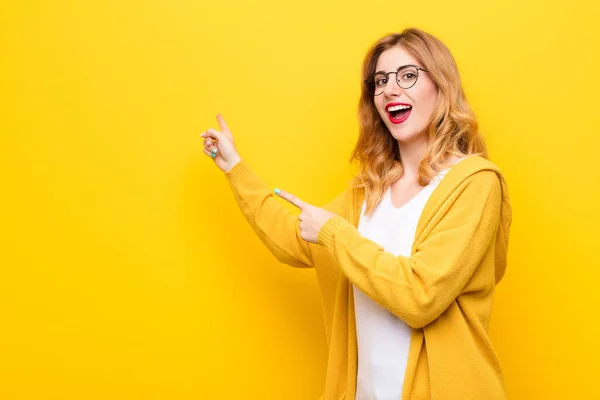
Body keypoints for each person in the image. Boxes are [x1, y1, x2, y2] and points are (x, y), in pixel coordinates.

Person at [200, 27, 512, 400]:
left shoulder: (474, 184)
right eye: (380, 81)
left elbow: (420, 296)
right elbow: (292, 239)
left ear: (441, 86)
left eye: (408, 75)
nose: (390, 90)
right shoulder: (367, 192)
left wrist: (334, 233)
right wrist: (235, 167)